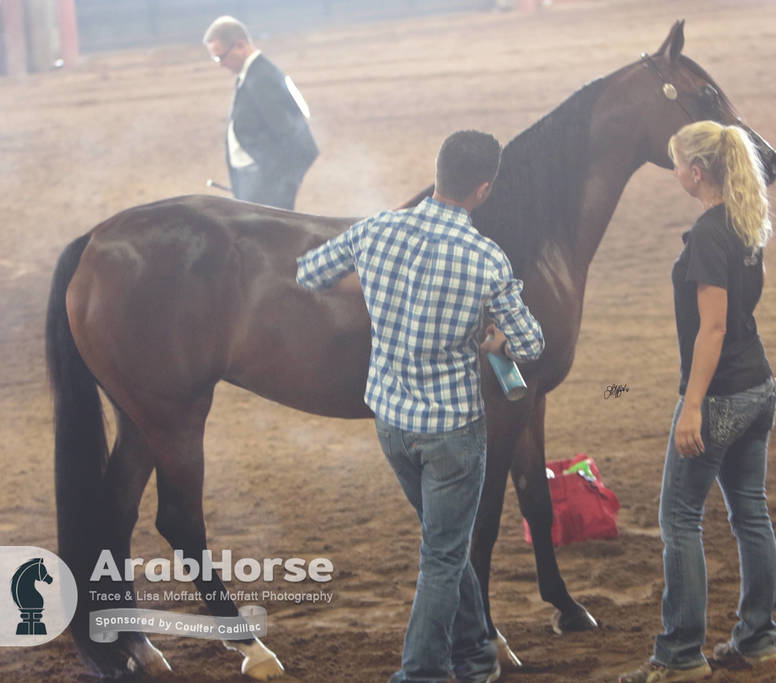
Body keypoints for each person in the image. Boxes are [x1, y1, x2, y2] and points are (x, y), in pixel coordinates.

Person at [296, 130, 544, 683]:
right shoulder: (486, 259)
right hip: (452, 430)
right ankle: (421, 673)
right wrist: (496, 340)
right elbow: (531, 345)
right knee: (443, 556)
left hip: (391, 422)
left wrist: (381, 293)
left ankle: (476, 657)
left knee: (444, 543)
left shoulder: (378, 228)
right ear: (483, 189)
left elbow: (310, 274)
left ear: (438, 172)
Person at [620, 121, 776, 683]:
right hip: (758, 384)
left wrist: (692, 407)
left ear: (696, 172)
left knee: (680, 520)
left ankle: (681, 655)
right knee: (751, 513)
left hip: (721, 395)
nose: (673, 174)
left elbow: (710, 330)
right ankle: (758, 640)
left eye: (676, 165)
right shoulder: (744, 220)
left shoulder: (710, 234)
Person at [203, 16, 318, 210]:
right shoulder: (252, 74)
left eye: (220, 56)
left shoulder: (263, 78)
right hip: (255, 182)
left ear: (240, 45)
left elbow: (291, 134)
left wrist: (277, 186)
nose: (220, 63)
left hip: (266, 187)